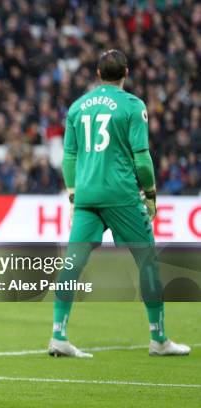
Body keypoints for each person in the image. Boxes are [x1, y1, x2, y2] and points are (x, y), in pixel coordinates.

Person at [49, 49, 190, 358]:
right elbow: (141, 158)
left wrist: (73, 194)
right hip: (122, 195)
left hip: (86, 196)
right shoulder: (132, 106)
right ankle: (159, 339)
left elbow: (69, 157)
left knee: (72, 264)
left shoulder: (77, 107)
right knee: (148, 263)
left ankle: (58, 335)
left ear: (98, 74)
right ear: (126, 72)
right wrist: (151, 194)